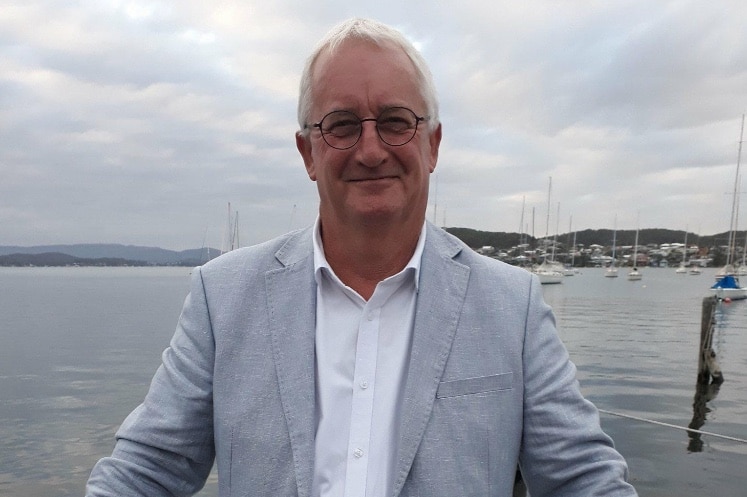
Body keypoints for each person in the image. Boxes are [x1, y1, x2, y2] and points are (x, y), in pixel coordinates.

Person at [86, 18, 638, 497]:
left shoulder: (511, 305)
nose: (371, 150)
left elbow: (581, 479)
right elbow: (147, 470)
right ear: (308, 152)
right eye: (343, 125)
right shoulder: (222, 296)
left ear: (433, 145)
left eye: (396, 121)